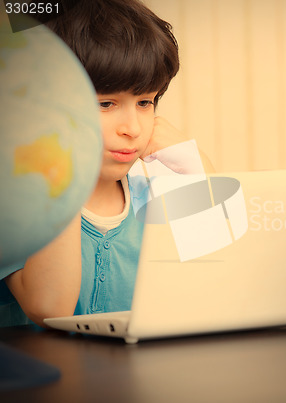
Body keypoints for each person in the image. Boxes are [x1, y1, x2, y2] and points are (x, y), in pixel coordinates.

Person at [0, 0, 212, 327]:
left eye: (145, 102)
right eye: (106, 103)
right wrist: (63, 159)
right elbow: (50, 306)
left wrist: (196, 168)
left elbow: (225, 285)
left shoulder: (155, 195)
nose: (133, 128)